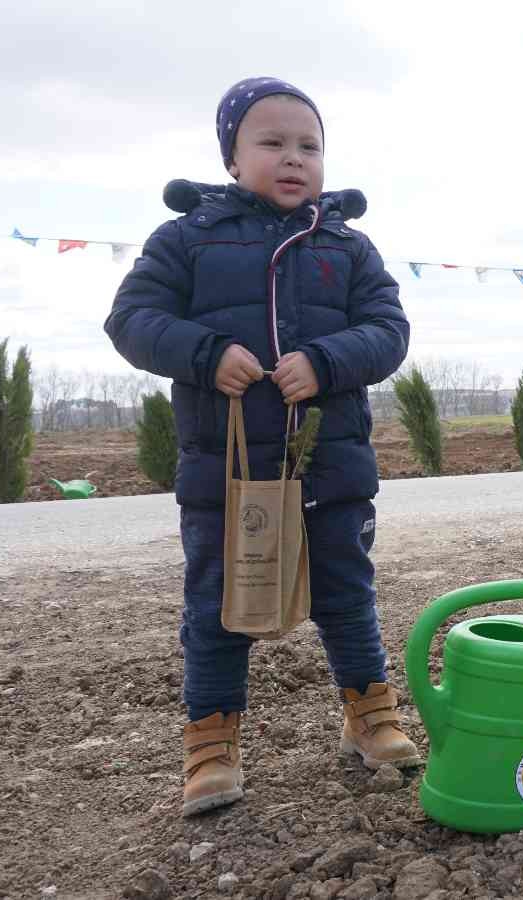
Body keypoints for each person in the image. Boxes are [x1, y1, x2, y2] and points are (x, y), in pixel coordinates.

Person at [104, 77, 420, 818]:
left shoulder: (346, 244)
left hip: (332, 465)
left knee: (347, 594)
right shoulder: (185, 240)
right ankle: (211, 743)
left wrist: (330, 361)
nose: (293, 158)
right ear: (232, 156)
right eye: (272, 142)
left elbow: (389, 331)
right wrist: (206, 352)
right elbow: (131, 318)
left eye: (308, 146)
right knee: (217, 605)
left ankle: (368, 713)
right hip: (226, 472)